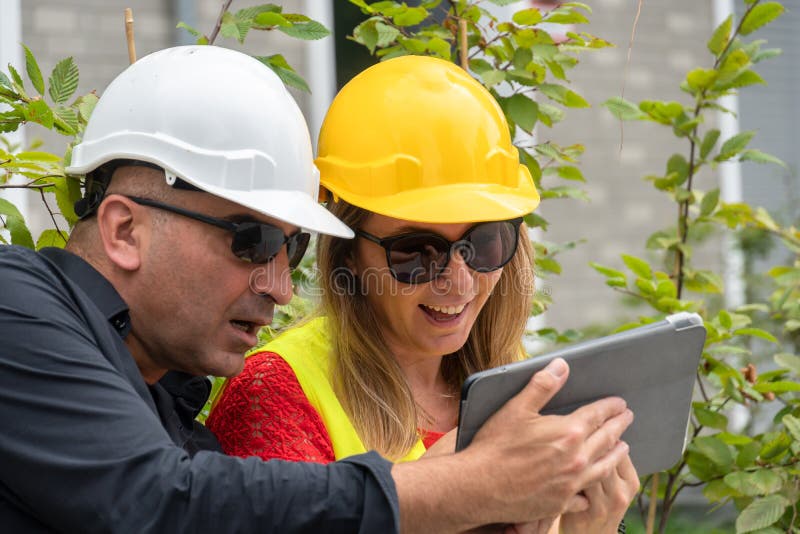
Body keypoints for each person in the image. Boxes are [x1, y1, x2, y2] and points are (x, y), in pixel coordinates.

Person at [208, 56, 639, 533]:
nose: (459, 281)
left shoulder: (509, 374)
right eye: (417, 252)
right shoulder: (276, 393)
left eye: (483, 243)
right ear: (347, 254)